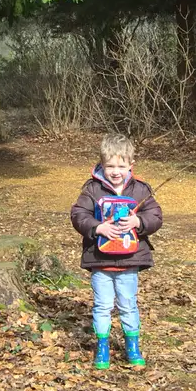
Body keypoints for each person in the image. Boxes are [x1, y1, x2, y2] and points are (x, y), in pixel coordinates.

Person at [69, 134, 163, 370]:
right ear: (101, 165)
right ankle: (102, 346)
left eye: (121, 166)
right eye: (110, 166)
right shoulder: (92, 189)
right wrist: (97, 227)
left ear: (131, 165)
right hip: (99, 260)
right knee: (102, 305)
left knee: (128, 304)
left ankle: (132, 345)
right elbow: (78, 214)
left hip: (130, 260)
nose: (115, 171)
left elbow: (156, 216)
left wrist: (138, 222)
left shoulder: (140, 190)